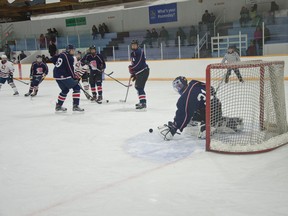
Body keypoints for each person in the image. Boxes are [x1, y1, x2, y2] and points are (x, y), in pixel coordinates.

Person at [158, 77, 243, 141]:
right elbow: (212, 89)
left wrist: (174, 127)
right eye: (177, 87)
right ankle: (222, 122)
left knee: (190, 127)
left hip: (208, 114)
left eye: (179, 86)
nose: (179, 88)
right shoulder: (196, 85)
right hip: (217, 109)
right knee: (194, 114)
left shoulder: (186, 96)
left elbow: (184, 112)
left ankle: (208, 126)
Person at [53, 44, 84, 112]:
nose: (73, 51)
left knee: (65, 90)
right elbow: (70, 69)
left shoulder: (62, 54)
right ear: (68, 50)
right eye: (72, 50)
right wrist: (74, 77)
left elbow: (53, 59)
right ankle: (75, 105)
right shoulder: (69, 57)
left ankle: (58, 106)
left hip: (57, 76)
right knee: (76, 87)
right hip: (63, 76)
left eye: (74, 50)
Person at [128, 40, 149, 110]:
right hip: (140, 72)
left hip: (143, 71)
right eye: (132, 45)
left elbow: (139, 63)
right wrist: (134, 73)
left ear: (138, 45)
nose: (133, 46)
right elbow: (134, 64)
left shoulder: (139, 51)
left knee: (139, 87)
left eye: (135, 45)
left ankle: (143, 103)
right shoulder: (133, 53)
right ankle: (142, 102)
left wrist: (132, 68)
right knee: (138, 87)